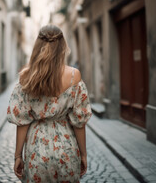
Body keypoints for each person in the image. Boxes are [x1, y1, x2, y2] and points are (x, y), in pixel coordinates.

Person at [7, 25, 92, 183]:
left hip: (36, 150)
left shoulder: (26, 77)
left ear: (37, 46)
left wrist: (18, 156)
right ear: (62, 47)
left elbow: (22, 121)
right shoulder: (74, 76)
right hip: (66, 149)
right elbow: (79, 121)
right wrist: (83, 154)